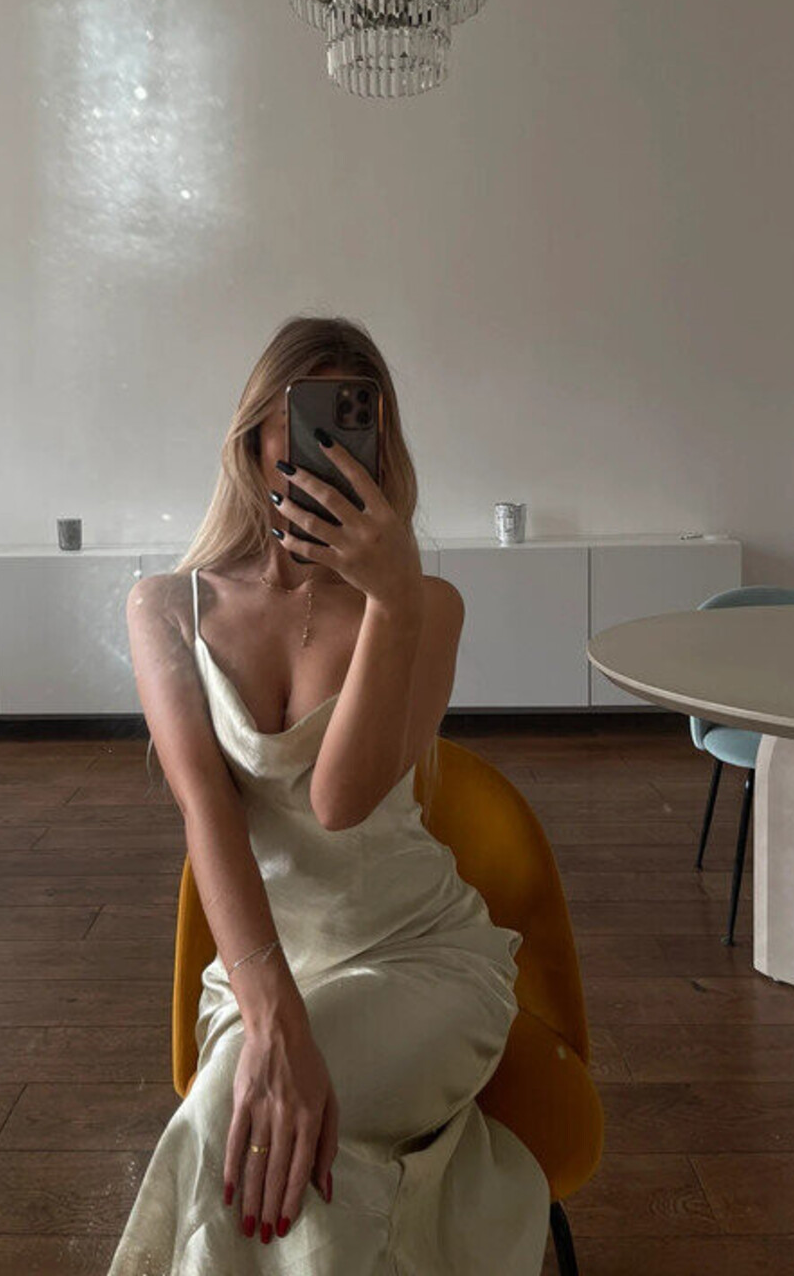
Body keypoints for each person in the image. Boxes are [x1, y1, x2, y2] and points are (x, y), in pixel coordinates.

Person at [108, 315, 550, 1274]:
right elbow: (208, 816)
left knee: (234, 1127)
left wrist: (390, 599)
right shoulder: (166, 607)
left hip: (419, 960)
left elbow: (341, 801)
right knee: (280, 1148)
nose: (329, 447)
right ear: (254, 439)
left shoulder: (428, 606)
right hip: (263, 970)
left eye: (357, 424)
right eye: (304, 420)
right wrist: (274, 1018)